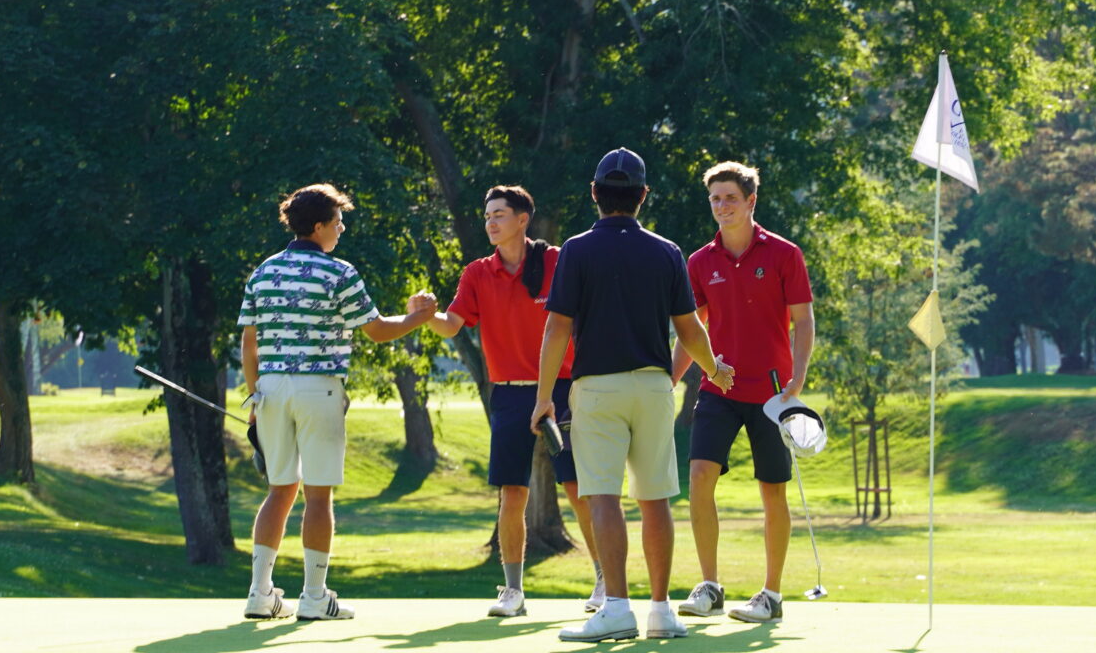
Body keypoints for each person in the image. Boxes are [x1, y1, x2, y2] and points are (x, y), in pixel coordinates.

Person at [531, 148, 735, 642]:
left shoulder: (577, 249)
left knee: (603, 497)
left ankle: (618, 607)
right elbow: (689, 331)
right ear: (642, 196)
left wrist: (543, 400)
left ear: (595, 194)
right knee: (656, 499)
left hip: (596, 388)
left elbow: (557, 328)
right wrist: (716, 369)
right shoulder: (667, 251)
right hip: (652, 386)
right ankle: (661, 611)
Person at [237, 183, 438, 622]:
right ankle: (313, 596)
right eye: (337, 221)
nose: (342, 229)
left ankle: (259, 592)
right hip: (319, 388)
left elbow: (249, 343)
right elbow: (377, 330)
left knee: (279, 491)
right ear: (318, 226)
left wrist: (254, 395)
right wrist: (418, 319)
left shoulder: (264, 271)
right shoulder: (338, 272)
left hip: (269, 388)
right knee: (318, 495)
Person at [421, 185, 602, 618]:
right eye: (487, 216)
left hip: (561, 390)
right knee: (512, 493)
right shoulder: (477, 273)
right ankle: (513, 591)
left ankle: (604, 578)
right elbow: (452, 325)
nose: (491, 222)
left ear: (523, 219)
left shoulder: (558, 261)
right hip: (508, 394)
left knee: (578, 488)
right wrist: (426, 314)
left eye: (499, 214)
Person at [672, 160, 815, 625]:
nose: (722, 206)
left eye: (730, 197)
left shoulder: (784, 253)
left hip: (772, 395)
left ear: (750, 201)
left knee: (772, 490)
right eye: (715, 198)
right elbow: (692, 332)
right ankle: (710, 586)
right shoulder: (698, 262)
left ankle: (771, 595)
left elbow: (804, 319)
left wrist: (797, 380)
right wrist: (669, 380)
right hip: (719, 386)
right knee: (698, 478)